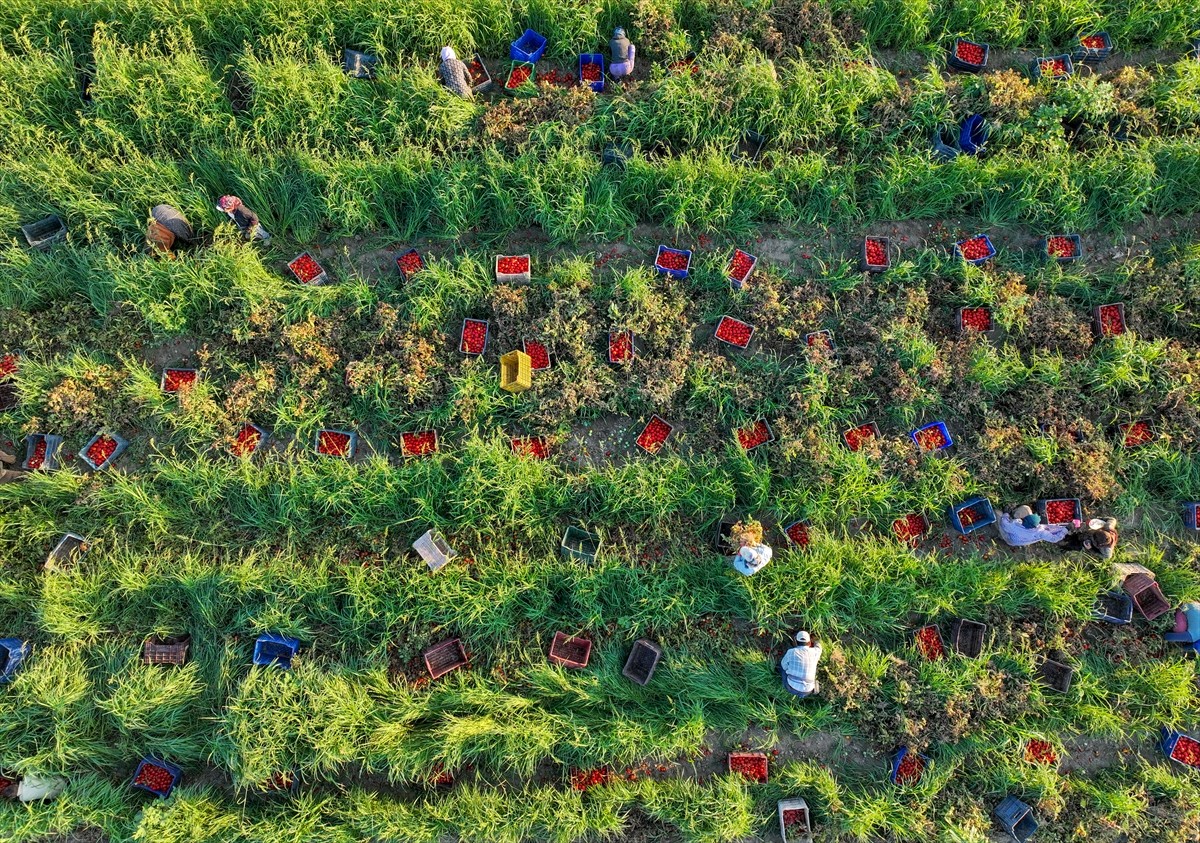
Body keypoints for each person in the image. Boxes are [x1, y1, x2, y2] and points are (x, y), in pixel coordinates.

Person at [996, 505, 1069, 547]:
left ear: (1023, 521)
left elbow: (1004, 524)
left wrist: (1006, 513)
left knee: (997, 513)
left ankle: (1000, 535)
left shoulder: (1016, 527)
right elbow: (1054, 539)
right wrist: (1066, 529)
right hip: (1021, 538)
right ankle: (1013, 514)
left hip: (1010, 538)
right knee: (1026, 509)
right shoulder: (1040, 531)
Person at [780, 631, 822, 697]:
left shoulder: (791, 652)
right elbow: (819, 646)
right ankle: (805, 693)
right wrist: (815, 640)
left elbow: (783, 665)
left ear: (795, 642)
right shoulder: (815, 652)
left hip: (791, 687)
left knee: (781, 667)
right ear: (809, 643)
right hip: (808, 691)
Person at [1, 774, 66, 801]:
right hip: (60, 779)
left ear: (13, 796)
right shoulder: (27, 777)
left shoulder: (23, 798)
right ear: (14, 784)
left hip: (59, 794)